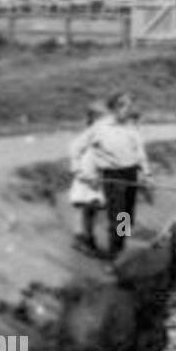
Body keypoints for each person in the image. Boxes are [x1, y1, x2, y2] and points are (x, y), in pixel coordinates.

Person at [89, 91, 152, 257]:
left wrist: (146, 173)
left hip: (130, 172)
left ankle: (121, 246)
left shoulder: (131, 127)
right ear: (113, 108)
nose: (127, 109)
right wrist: (93, 172)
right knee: (118, 214)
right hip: (112, 174)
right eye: (123, 105)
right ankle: (114, 252)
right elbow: (90, 150)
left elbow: (139, 151)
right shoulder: (101, 127)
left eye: (129, 106)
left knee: (127, 214)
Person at [68, 100, 108, 256]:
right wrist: (82, 173)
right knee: (87, 207)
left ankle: (86, 239)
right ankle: (85, 240)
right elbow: (74, 149)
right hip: (88, 176)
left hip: (96, 175)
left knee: (90, 208)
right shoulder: (92, 134)